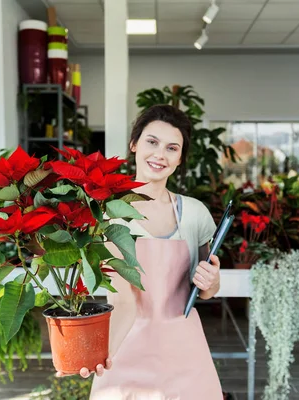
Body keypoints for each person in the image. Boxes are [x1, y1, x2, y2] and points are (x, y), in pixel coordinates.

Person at [56, 104, 223, 399]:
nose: (160, 154)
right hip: (125, 346)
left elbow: (206, 289)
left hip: (185, 352)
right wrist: (98, 355)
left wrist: (211, 281)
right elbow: (122, 302)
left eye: (172, 148)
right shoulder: (106, 213)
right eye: (152, 142)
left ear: (180, 158)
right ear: (134, 144)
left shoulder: (195, 214)